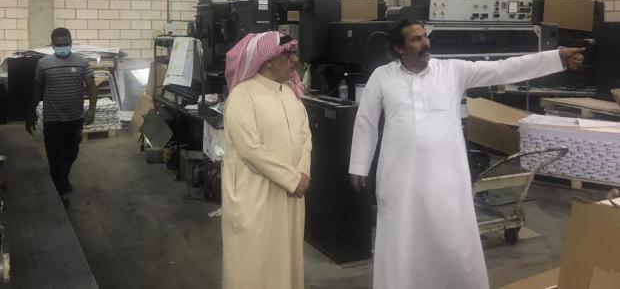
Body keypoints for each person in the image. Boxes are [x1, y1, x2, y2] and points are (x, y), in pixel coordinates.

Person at [348, 19, 584, 289]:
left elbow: (504, 68)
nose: (425, 43)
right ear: (399, 48)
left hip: (446, 178)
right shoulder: (382, 77)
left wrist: (556, 58)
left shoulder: (452, 71)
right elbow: (366, 121)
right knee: (402, 239)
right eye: (416, 39)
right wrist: (359, 165)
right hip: (401, 178)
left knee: (453, 239)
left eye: (425, 36)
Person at [222, 31, 312, 289]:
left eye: (294, 53)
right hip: (256, 195)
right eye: (288, 54)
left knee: (287, 260)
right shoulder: (242, 96)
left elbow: (306, 137)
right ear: (268, 59)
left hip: (292, 195)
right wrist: (292, 179)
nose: (295, 59)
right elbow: (251, 150)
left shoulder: (290, 94)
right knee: (254, 264)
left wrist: (302, 174)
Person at [26, 28, 97, 207]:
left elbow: (91, 86)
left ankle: (62, 179)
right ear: (52, 44)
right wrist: (30, 112)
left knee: (72, 152)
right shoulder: (43, 63)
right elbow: (37, 89)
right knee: (54, 155)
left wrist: (92, 109)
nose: (62, 47)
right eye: (59, 44)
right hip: (53, 119)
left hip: (75, 118)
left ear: (71, 42)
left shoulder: (82, 62)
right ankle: (59, 191)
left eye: (66, 43)